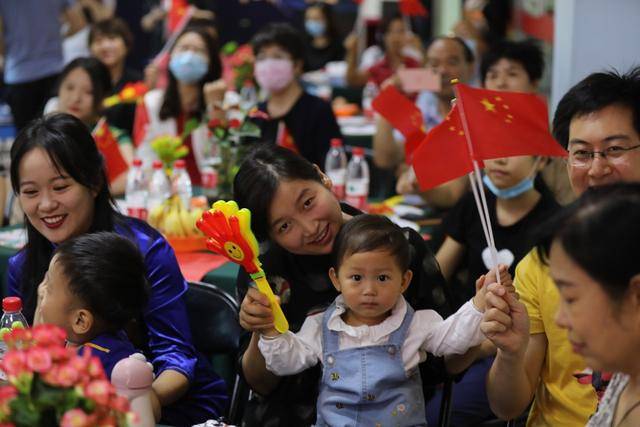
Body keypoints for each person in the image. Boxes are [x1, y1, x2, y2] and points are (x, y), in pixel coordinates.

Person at [232, 143, 501, 426]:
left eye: (308, 202)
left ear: (321, 176)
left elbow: (441, 361)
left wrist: (477, 323)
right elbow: (260, 383)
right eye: (285, 226)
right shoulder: (264, 268)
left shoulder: (396, 249)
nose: (310, 228)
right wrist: (262, 330)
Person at [7, 113, 227, 426]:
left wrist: (137, 401)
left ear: (94, 182)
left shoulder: (144, 249)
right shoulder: (23, 266)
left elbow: (176, 356)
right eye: (30, 192)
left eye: (60, 187)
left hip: (167, 407)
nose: (45, 205)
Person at [483, 67, 640, 426]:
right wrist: (510, 352)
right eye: (582, 153)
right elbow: (507, 406)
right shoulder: (546, 259)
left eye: (614, 149)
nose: (597, 169)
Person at [257, 214, 490, 426]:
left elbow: (454, 339)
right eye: (356, 277)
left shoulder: (417, 323)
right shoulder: (321, 325)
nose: (369, 290)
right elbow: (285, 362)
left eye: (382, 277)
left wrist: (479, 303)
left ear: (404, 281)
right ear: (336, 279)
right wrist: (269, 330)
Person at [372, 36, 475, 208]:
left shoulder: (473, 114)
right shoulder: (425, 102)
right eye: (434, 64)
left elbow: (451, 195)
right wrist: (387, 97)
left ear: (470, 68)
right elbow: (385, 158)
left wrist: (417, 184)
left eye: (452, 62)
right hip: (410, 208)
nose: (442, 71)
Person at [39, 232, 150, 379]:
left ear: (80, 321)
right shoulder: (104, 341)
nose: (41, 290)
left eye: (50, 287)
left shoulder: (88, 368)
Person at [134, 25, 225, 186]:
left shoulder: (227, 101)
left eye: (199, 50)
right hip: (165, 194)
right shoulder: (152, 102)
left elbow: (227, 160)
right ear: (170, 57)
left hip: (212, 195)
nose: (190, 55)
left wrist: (216, 109)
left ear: (211, 62)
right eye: (184, 48)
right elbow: (145, 156)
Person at [249, 23, 341, 168]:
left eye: (278, 56)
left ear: (297, 65)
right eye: (261, 57)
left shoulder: (317, 111)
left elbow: (333, 168)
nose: (268, 64)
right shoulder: (255, 115)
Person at [51, 57, 133, 196]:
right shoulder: (43, 135)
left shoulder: (115, 137)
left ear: (103, 97)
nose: (76, 98)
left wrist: (86, 196)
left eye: (88, 92)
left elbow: (131, 179)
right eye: (69, 88)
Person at [0, 0, 85, 131]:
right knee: (56, 136)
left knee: (26, 140)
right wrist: (56, 37)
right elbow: (78, 22)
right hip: (54, 72)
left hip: (18, 74)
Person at [344, 14, 421, 88]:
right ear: (383, 36)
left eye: (401, 31)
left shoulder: (414, 63)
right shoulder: (378, 66)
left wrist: (421, 51)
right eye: (391, 31)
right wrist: (352, 52)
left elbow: (428, 83)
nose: (396, 37)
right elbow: (353, 80)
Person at [303, 2, 345, 72]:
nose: (312, 22)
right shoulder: (302, 44)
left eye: (316, 19)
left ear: (328, 20)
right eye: (308, 19)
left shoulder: (340, 45)